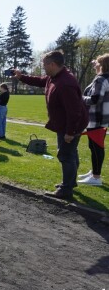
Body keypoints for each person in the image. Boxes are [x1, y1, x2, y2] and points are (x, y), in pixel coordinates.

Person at [15, 50, 88, 199]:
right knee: (71, 153)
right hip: (65, 124)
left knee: (66, 155)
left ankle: (66, 189)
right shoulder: (54, 77)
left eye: (44, 65)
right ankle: (70, 182)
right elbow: (39, 81)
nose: (43, 68)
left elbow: (74, 112)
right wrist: (21, 76)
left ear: (53, 64)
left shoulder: (65, 83)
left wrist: (70, 132)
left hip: (70, 125)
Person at [77, 53, 109, 186]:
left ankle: (96, 177)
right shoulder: (105, 78)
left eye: (97, 62)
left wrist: (80, 98)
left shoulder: (100, 79)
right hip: (102, 119)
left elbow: (95, 99)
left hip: (96, 119)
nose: (94, 64)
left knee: (96, 147)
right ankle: (94, 172)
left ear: (102, 65)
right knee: (94, 146)